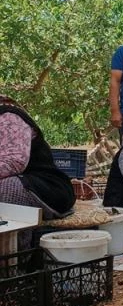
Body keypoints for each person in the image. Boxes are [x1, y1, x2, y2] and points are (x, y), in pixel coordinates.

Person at [0, 96, 75, 247]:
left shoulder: (9, 117)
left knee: (9, 186)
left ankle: (17, 255)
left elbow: (14, 162)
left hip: (45, 187)